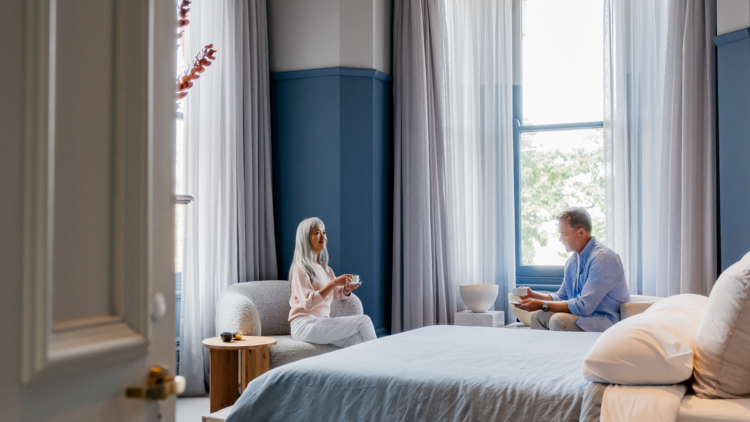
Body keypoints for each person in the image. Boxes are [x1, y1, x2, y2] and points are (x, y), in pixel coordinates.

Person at [515, 207, 630, 332]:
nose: (560, 239)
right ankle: (546, 352)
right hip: (584, 318)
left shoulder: (603, 259)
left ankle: (565, 352)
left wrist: (542, 305)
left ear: (581, 232)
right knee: (538, 316)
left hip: (605, 322)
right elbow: (562, 296)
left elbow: (584, 306)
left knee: (558, 320)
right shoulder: (572, 261)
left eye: (564, 234)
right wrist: (534, 296)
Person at [288, 217, 377, 347]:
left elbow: (338, 295)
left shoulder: (326, 269)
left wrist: (346, 289)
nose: (323, 237)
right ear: (305, 238)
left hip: (322, 323)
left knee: (360, 342)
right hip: (303, 325)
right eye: (317, 233)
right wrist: (334, 282)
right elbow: (308, 303)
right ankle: (382, 361)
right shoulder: (300, 268)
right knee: (364, 321)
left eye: (324, 232)